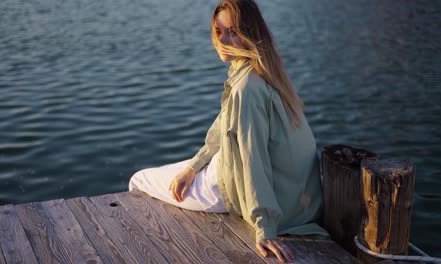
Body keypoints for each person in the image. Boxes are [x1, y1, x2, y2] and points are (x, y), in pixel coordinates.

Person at [129, 0, 328, 262]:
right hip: (295, 203)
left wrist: (265, 228)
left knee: (138, 179)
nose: (223, 39)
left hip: (229, 184)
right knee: (178, 173)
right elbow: (225, 126)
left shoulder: (246, 90)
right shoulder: (265, 73)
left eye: (233, 31)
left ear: (249, 34)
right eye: (219, 31)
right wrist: (194, 166)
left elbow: (251, 160)